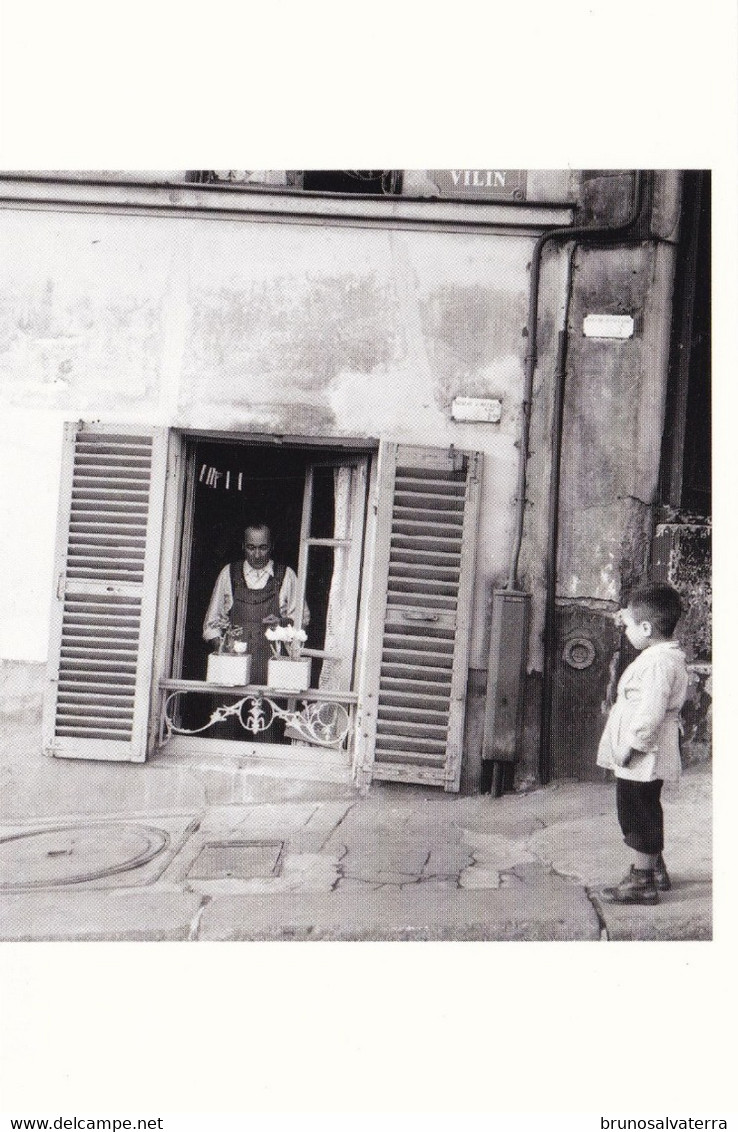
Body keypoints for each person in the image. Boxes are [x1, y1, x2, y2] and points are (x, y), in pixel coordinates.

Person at [596, 582, 689, 905]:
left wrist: (631, 746)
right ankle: (654, 867)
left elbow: (649, 713)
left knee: (637, 813)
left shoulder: (657, 663)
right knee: (643, 808)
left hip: (643, 754)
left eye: (630, 626)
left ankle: (642, 881)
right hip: (646, 753)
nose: (626, 630)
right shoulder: (661, 656)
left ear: (647, 627)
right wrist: (629, 612)